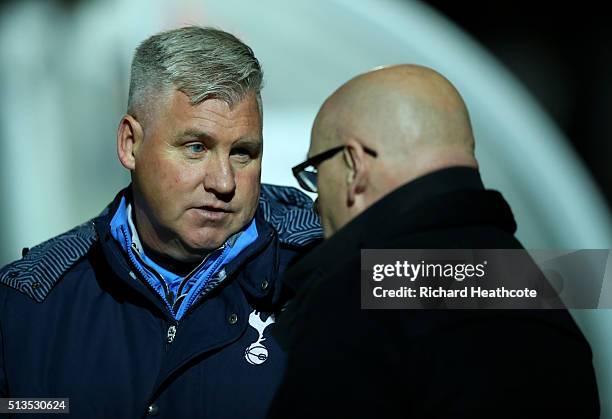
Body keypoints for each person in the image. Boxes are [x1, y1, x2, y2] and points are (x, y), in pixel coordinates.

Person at [0, 26, 321, 418]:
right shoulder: (28, 301)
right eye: (196, 148)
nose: (223, 182)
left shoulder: (332, 267)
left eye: (243, 153)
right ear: (130, 144)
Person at [267, 65, 599, 418]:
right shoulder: (535, 283)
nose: (317, 201)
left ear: (354, 165)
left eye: (317, 173)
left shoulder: (357, 292)